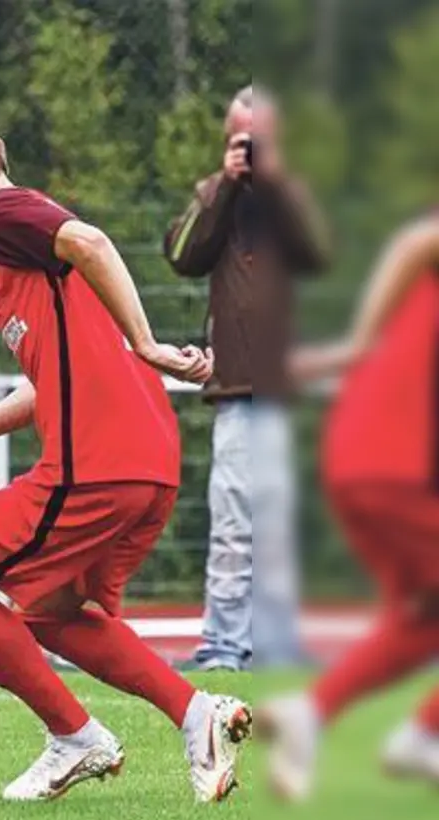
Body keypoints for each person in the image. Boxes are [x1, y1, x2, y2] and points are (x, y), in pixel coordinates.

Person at [0, 104, 251, 803]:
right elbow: (51, 380)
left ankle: (76, 738)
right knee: (53, 612)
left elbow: (94, 241)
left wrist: (148, 345)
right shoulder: (18, 249)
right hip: (145, 465)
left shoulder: (0, 214)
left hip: (93, 466)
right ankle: (197, 714)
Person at [259, 212, 439, 798]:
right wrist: (357, 346)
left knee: (421, 621)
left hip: (366, 457)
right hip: (398, 462)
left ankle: (311, 715)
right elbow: (418, 238)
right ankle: (424, 736)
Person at [162, 86, 331, 671]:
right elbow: (182, 254)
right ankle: (223, 645)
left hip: (282, 392)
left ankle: (277, 643)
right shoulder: (214, 194)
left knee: (281, 527)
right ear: (228, 142)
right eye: (242, 140)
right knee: (234, 527)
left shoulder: (292, 197)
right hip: (236, 390)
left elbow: (317, 254)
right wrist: (228, 184)